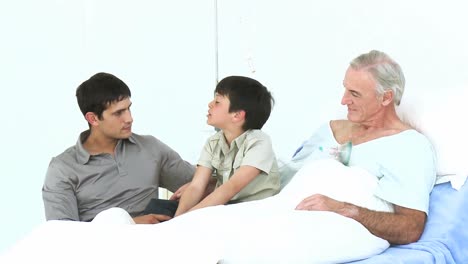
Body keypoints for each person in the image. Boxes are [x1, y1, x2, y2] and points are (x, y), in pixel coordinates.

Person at [284, 50, 436, 245]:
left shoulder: (408, 146)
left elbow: (410, 228)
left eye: (354, 94)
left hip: (318, 233)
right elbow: (285, 176)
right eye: (345, 89)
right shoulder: (331, 129)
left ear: (386, 97)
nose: (343, 100)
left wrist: (344, 209)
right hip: (280, 210)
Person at [42, 72, 195, 224]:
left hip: (156, 241)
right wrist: (131, 224)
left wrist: (198, 184)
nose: (129, 118)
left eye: (128, 108)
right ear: (93, 118)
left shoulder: (150, 148)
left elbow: (204, 182)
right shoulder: (62, 169)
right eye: (119, 113)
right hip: (99, 246)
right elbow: (61, 235)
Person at [174, 76, 280, 216]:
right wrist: (177, 219)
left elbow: (231, 188)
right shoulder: (213, 142)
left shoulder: (259, 142)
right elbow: (196, 186)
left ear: (237, 115)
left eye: (217, 101)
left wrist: (189, 218)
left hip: (253, 210)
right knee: (161, 209)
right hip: (225, 206)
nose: (210, 104)